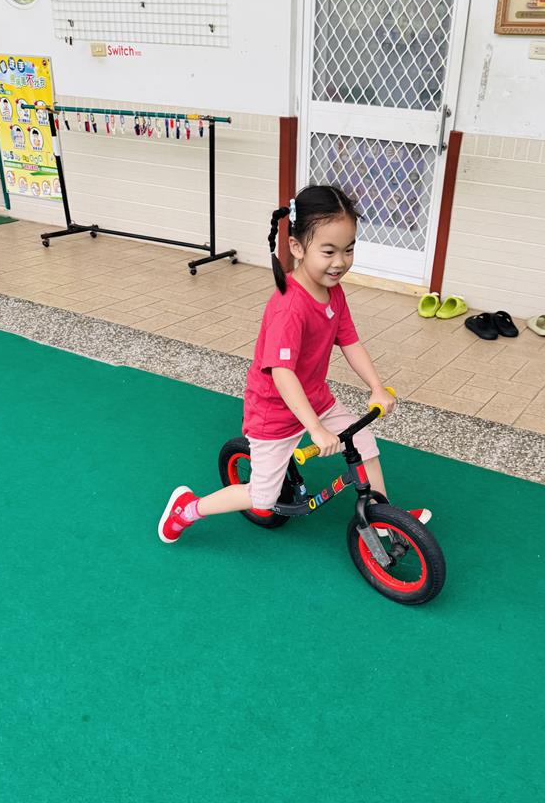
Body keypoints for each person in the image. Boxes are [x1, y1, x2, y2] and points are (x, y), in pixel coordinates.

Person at [158, 184, 431, 543]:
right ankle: (189, 509)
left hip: (315, 397)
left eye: (349, 249)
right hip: (274, 411)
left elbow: (350, 341)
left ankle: (382, 517)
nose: (340, 262)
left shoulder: (333, 292)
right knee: (262, 498)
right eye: (329, 251)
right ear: (298, 247)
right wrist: (315, 429)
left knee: (364, 442)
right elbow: (282, 373)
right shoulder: (289, 307)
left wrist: (377, 387)